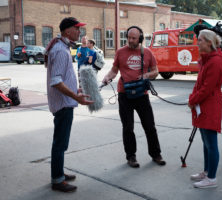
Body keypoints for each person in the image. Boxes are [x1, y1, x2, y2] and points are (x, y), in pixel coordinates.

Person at [102, 26, 166, 168]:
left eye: (134, 38)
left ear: (140, 39)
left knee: (150, 126)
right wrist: (107, 78)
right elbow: (114, 70)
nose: (130, 41)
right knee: (128, 127)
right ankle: (131, 156)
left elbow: (156, 71)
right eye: (129, 38)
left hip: (142, 95)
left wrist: (147, 75)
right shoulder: (120, 52)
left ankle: (156, 154)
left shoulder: (148, 52)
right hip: (124, 94)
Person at [46, 17, 94, 193]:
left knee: (61, 142)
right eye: (76, 28)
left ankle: (59, 173)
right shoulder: (60, 50)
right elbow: (56, 81)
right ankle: (57, 180)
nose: (79, 32)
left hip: (65, 102)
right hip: (63, 105)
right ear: (67, 31)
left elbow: (63, 78)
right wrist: (76, 96)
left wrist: (76, 89)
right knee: (60, 143)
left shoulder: (62, 47)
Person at [188, 29, 222, 188]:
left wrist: (192, 99)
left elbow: (207, 88)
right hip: (203, 106)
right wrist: (194, 99)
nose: (198, 42)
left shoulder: (215, 61)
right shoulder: (207, 59)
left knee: (211, 144)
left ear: (209, 43)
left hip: (209, 106)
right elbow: (200, 85)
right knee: (205, 142)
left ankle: (212, 178)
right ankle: (206, 171)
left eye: (201, 40)